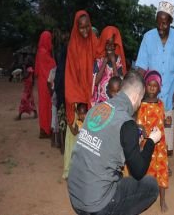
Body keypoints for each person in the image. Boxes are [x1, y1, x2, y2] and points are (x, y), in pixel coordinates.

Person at [68, 70, 161, 215]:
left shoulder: (96, 109)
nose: (139, 105)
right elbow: (138, 171)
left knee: (117, 175)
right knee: (151, 186)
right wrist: (151, 141)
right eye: (141, 99)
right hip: (96, 205)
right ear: (137, 96)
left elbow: (107, 141)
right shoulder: (127, 124)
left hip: (75, 194)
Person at [136, 1, 174, 157]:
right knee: (149, 127)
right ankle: (149, 160)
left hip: (169, 93)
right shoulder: (148, 37)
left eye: (164, 24)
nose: (161, 27)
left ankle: (164, 162)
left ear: (171, 22)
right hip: (150, 94)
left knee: (166, 128)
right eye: (158, 23)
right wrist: (138, 91)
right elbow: (141, 67)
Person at [137, 70, 169, 212]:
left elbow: (163, 123)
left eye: (155, 86)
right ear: (145, 86)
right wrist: (142, 130)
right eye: (149, 85)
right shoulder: (141, 104)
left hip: (160, 147)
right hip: (147, 146)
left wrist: (167, 121)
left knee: (162, 173)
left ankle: (162, 200)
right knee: (145, 173)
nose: (151, 88)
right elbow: (138, 124)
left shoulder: (161, 104)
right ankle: (143, 199)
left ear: (159, 88)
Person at [65, 10, 98, 129]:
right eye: (81, 28)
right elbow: (70, 74)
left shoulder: (94, 42)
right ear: (76, 27)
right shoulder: (72, 46)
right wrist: (78, 98)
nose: (85, 31)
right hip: (78, 98)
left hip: (93, 93)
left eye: (87, 27)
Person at [92, 26, 126, 105]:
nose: (110, 47)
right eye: (107, 44)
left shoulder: (118, 61)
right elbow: (96, 82)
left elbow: (120, 84)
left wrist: (114, 63)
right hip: (100, 102)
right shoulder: (98, 60)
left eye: (112, 44)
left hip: (114, 103)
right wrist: (104, 62)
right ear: (103, 43)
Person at [34, 31, 56, 138]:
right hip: (46, 84)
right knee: (47, 106)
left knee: (44, 106)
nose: (50, 41)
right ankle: (46, 129)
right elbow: (52, 65)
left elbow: (37, 70)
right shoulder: (44, 52)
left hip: (42, 83)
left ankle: (43, 129)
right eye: (49, 39)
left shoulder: (40, 51)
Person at [62, 103, 87, 179]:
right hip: (79, 146)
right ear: (78, 114)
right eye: (80, 114)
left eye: (84, 113)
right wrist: (69, 124)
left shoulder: (89, 122)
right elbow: (74, 132)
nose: (82, 116)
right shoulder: (78, 122)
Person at [47, 67, 58, 147]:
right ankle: (54, 140)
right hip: (56, 96)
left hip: (58, 95)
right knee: (54, 119)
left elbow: (48, 82)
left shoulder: (53, 70)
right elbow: (48, 82)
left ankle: (55, 140)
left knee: (55, 119)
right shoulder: (53, 70)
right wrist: (51, 92)